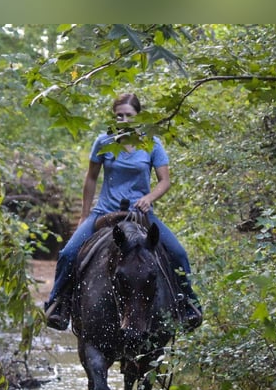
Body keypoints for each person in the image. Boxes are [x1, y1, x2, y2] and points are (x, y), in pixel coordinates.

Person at [44, 92, 202, 331]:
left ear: (138, 117)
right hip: (104, 212)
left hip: (141, 215)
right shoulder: (103, 141)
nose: (124, 120)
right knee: (68, 253)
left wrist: (149, 198)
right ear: (114, 116)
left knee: (178, 254)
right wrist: (85, 216)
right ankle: (58, 305)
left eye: (129, 115)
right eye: (119, 115)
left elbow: (164, 181)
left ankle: (188, 305)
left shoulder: (152, 144)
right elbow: (91, 179)